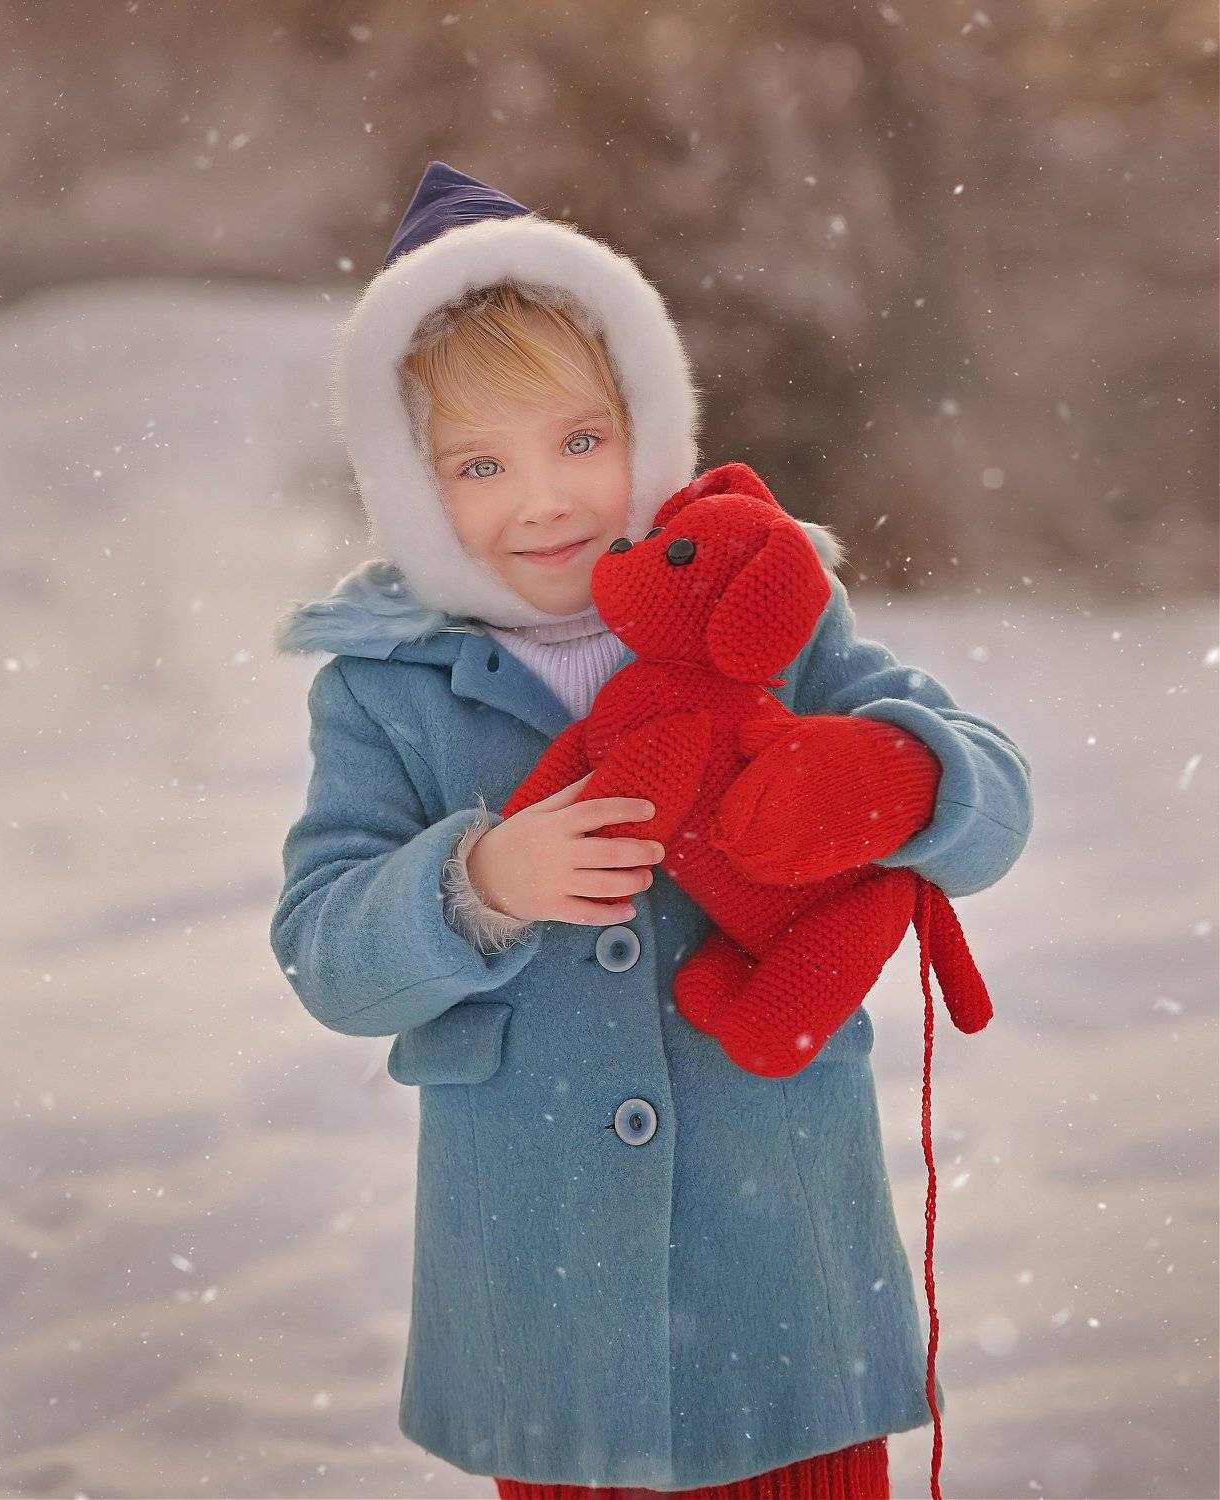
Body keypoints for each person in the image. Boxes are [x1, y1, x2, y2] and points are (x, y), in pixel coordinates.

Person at [269, 161, 1034, 1500]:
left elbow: (991, 803)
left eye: (580, 441)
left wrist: (893, 778)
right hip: (547, 1308)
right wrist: (477, 881)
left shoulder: (761, 602)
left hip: (778, 1269)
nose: (544, 499)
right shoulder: (385, 689)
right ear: (408, 485)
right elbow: (327, 953)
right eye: (479, 464)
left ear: (653, 424)